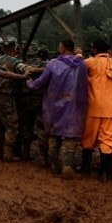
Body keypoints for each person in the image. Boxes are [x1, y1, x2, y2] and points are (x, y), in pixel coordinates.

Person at [26, 39, 88, 179]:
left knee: (54, 135)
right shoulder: (83, 65)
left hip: (54, 106)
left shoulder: (53, 64)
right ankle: (67, 166)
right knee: (70, 137)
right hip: (75, 106)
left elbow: (39, 83)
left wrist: (29, 83)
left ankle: (54, 165)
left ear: (63, 48)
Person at [81, 39, 112, 181]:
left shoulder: (89, 62)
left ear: (95, 50)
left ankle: (85, 169)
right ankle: (106, 173)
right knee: (108, 141)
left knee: (88, 139)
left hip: (93, 108)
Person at [0, 40, 26, 162]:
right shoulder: (15, 62)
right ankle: (8, 154)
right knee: (11, 126)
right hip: (5, 97)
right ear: (14, 48)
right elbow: (26, 70)